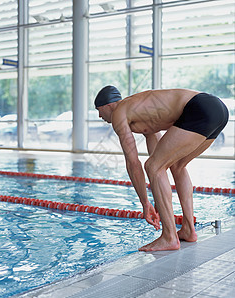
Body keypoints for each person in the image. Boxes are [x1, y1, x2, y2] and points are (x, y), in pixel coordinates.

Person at [94, 85, 229, 252]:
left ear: (108, 106)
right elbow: (158, 155)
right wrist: (158, 199)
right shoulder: (139, 108)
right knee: (177, 166)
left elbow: (133, 162)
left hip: (199, 108)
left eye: (99, 110)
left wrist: (145, 203)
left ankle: (169, 237)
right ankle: (188, 229)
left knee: (152, 166)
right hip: (217, 109)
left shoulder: (119, 114)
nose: (100, 116)